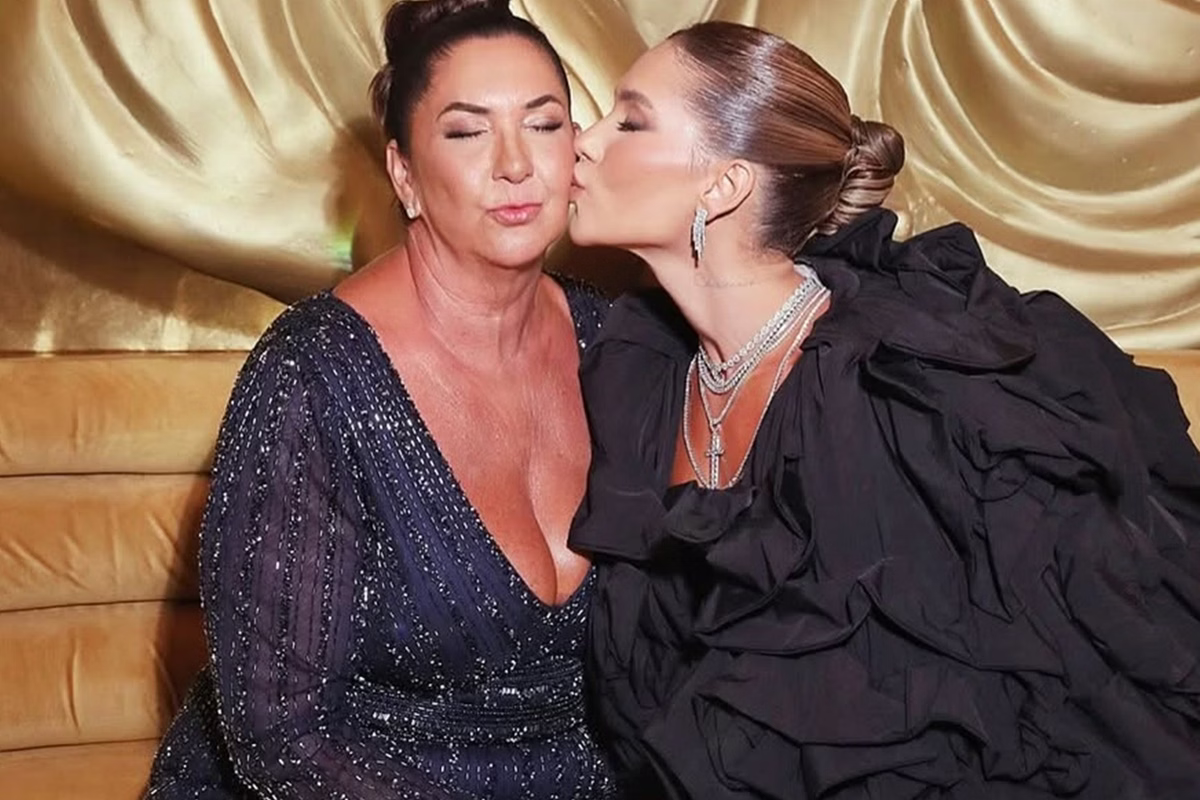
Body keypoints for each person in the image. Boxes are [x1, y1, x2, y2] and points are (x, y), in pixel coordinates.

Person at [568, 20, 1200, 800]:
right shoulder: (640, 373)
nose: (583, 141)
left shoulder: (889, 398)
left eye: (629, 122)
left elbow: (933, 733)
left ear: (723, 187)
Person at [144, 1, 617, 797]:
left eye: (543, 125)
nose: (514, 164)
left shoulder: (615, 344)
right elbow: (281, 739)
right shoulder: (311, 375)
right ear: (404, 174)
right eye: (467, 133)